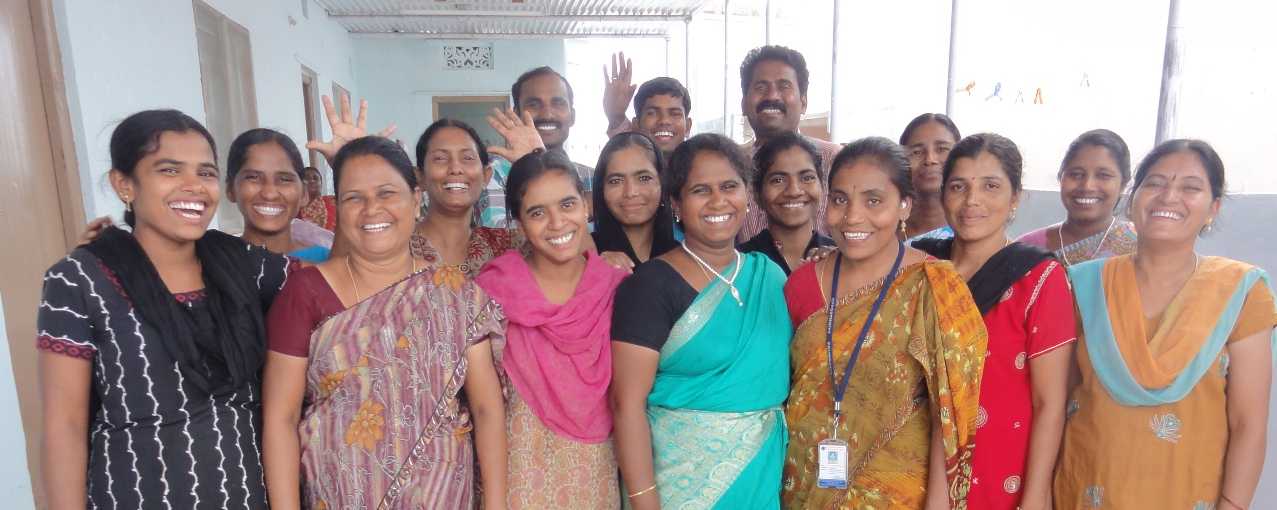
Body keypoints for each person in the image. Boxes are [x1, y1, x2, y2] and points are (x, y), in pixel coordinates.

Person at [38, 109, 298, 509]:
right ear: (125, 184)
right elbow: (64, 427)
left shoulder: (242, 266)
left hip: (246, 497)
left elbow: (345, 281)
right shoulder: (80, 279)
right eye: (170, 170)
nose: (194, 187)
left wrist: (347, 165)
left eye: (206, 173)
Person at [261, 136, 508, 510]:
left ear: (414, 198)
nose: (371, 209)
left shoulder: (456, 294)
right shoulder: (305, 291)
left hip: (442, 495)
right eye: (353, 197)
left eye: (386, 193)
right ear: (338, 208)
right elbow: (281, 418)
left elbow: (487, 410)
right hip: (338, 497)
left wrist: (496, 505)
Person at [1054, 140, 1276, 509]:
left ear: (1212, 208)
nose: (1169, 196)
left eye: (1190, 187)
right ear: (1134, 197)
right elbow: (1058, 401)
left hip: (1189, 494)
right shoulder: (1082, 285)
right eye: (1155, 183)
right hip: (1084, 490)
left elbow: (1248, 424)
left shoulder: (1240, 292)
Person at [781, 136, 987, 509]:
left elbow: (952, 417)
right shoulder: (801, 285)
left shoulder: (934, 285)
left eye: (873, 201)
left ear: (905, 205)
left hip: (898, 494)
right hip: (803, 487)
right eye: (840, 199)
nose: (852, 217)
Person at [609, 133, 791, 509]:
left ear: (747, 194)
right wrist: (645, 503)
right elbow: (626, 404)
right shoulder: (649, 286)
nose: (718, 201)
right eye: (700, 190)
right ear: (675, 202)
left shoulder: (770, 276)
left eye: (729, 186)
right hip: (675, 487)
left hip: (758, 476)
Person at [913, 133, 1075, 510]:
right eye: (958, 186)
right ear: (942, 195)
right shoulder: (919, 265)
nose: (972, 200)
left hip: (999, 468)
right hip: (913, 458)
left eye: (991, 186)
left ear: (1015, 197)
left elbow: (1050, 401)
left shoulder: (1037, 276)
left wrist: (1035, 496)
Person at [475, 150, 627, 508]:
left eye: (568, 204)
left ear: (586, 206)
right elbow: (483, 406)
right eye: (538, 212)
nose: (558, 223)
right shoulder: (494, 292)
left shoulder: (617, 288)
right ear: (517, 222)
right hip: (516, 478)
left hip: (597, 477)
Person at [737, 45, 843, 242]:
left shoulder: (836, 160)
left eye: (784, 87)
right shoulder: (732, 164)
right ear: (744, 103)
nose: (772, 96)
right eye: (760, 87)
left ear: (804, 102)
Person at [476, 66, 596, 228]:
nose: (547, 114)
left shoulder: (592, 178)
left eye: (558, 104)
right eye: (534, 104)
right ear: (517, 113)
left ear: (572, 116)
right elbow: (497, 237)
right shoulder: (496, 172)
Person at [1016, 129, 1137, 265]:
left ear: (1123, 184)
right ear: (1060, 177)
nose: (1087, 186)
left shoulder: (1140, 249)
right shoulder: (1025, 249)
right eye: (1076, 174)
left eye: (1103, 175)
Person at [226, 128, 330, 262]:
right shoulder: (212, 263)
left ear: (304, 193)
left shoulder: (328, 263)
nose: (270, 194)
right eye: (254, 177)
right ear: (230, 189)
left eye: (284, 179)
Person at [739, 131, 835, 275]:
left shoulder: (840, 257)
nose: (793, 191)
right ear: (757, 195)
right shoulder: (740, 264)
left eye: (807, 178)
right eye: (777, 180)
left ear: (822, 188)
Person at [591, 132, 679, 272]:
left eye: (644, 178)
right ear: (601, 189)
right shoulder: (585, 256)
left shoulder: (683, 259)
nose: (630, 192)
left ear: (663, 184)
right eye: (616, 181)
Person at [602, 52, 693, 158]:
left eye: (675, 114)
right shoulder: (626, 167)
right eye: (653, 113)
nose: (664, 121)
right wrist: (616, 117)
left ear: (688, 126)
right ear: (636, 125)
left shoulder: (701, 168)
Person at [899, 113, 961, 243]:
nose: (929, 159)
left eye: (942, 149)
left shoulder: (972, 226)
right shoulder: (885, 227)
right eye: (917, 152)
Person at [297, 165, 337, 231]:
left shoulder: (333, 202)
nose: (312, 181)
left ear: (321, 183)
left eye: (315, 178)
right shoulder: (293, 206)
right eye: (307, 178)